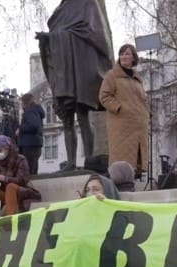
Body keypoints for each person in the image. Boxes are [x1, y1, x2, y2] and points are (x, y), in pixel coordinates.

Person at [17, 174, 117, 267]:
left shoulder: (120, 216)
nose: (90, 193)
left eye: (96, 189)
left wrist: (106, 207)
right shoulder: (77, 215)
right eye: (87, 190)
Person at [36, 0, 114, 171]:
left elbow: (92, 32)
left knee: (83, 115)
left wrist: (54, 37)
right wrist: (48, 38)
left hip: (81, 68)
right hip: (63, 71)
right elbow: (60, 30)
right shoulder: (63, 8)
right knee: (67, 120)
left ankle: (89, 159)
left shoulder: (87, 3)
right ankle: (71, 162)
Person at [99, 44, 150, 177]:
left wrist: (147, 113)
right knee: (121, 161)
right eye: (121, 54)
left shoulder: (137, 79)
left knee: (137, 160)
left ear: (133, 57)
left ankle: (134, 180)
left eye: (127, 54)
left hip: (139, 126)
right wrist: (119, 108)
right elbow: (104, 96)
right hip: (121, 125)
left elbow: (142, 100)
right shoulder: (112, 75)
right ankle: (121, 182)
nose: (124, 56)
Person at [16, 93, 46, 175]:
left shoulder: (30, 111)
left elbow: (33, 125)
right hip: (36, 144)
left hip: (29, 145)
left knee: (29, 172)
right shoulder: (36, 111)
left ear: (24, 103)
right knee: (33, 170)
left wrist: (20, 129)